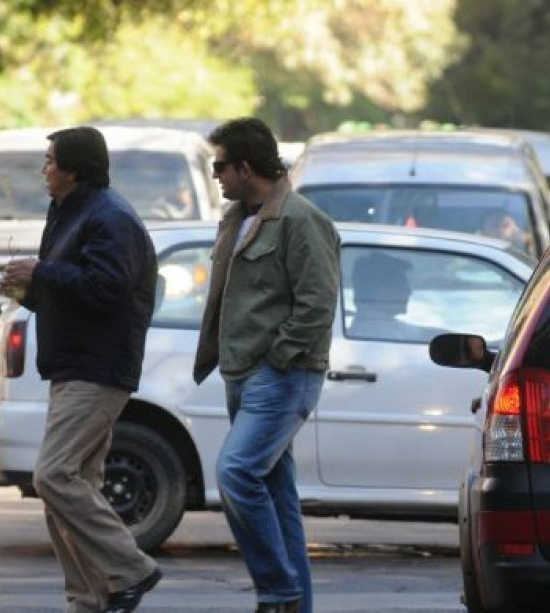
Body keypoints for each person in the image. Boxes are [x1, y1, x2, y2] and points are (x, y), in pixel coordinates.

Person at [0, 126, 161, 613]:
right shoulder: (71, 211)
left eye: (49, 161)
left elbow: (107, 290)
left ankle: (131, 569)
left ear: (72, 168)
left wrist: (42, 273)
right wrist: (27, 289)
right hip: (72, 365)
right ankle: (91, 598)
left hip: (98, 368)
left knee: (53, 476)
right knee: (73, 487)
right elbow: (73, 291)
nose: (43, 169)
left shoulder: (112, 218)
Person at [192, 118, 340, 613]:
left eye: (220, 167)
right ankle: (294, 604)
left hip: (282, 375)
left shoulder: (300, 219)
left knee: (235, 473)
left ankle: (278, 590)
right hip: (242, 374)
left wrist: (278, 357)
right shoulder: (238, 218)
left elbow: (317, 302)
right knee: (277, 498)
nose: (216, 177)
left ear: (246, 167)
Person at [347, 251, 445, 343]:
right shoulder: (371, 335)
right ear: (382, 290)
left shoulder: (383, 325)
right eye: (402, 285)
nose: (409, 291)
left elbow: (421, 332)